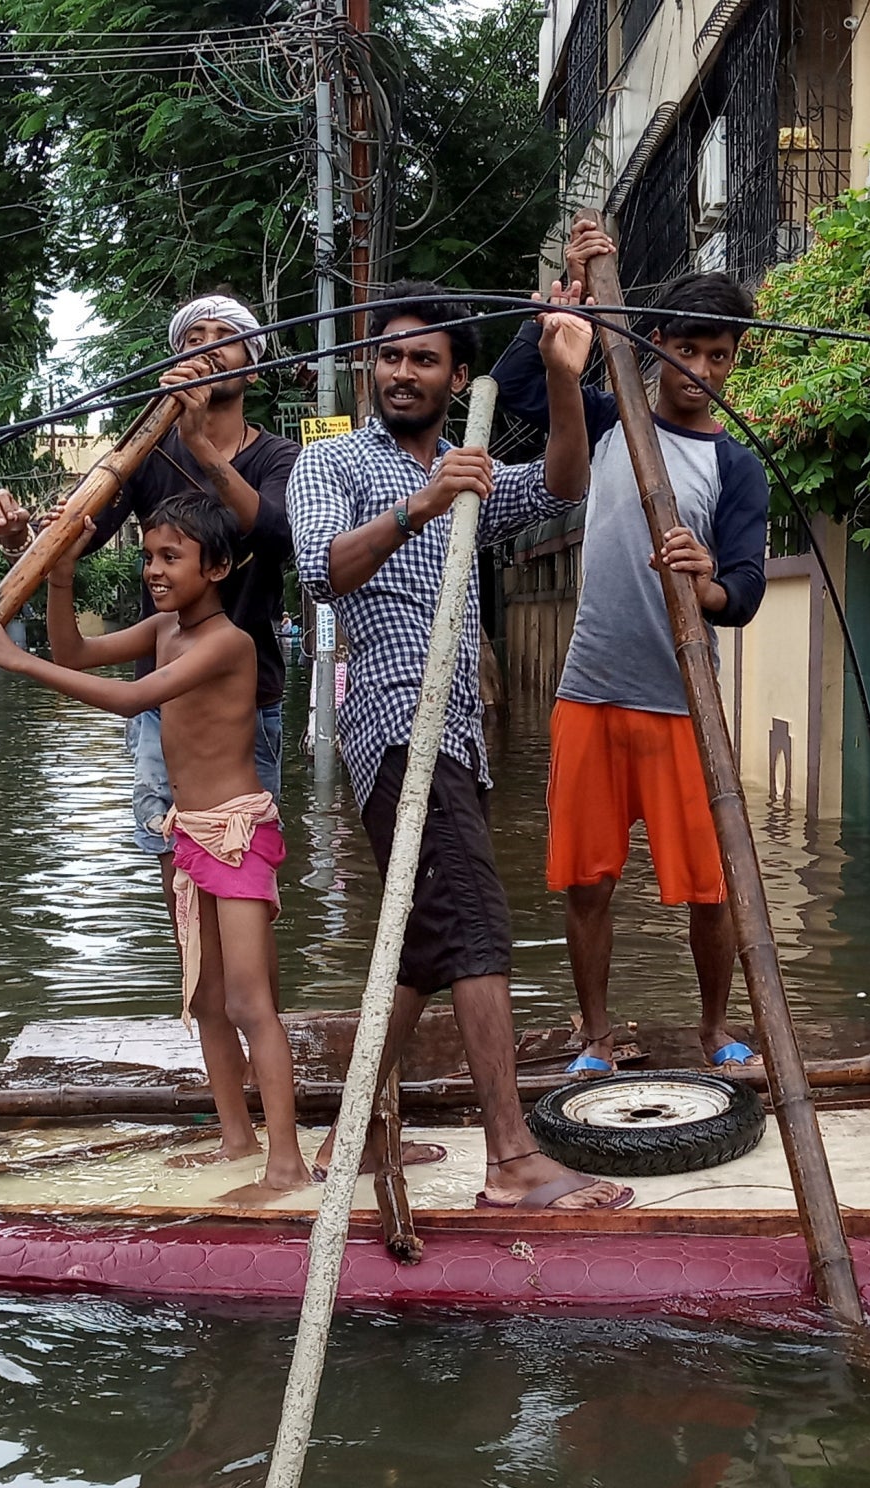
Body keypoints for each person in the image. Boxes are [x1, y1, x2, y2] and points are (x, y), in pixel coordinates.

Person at [288, 278, 631, 1213]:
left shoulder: (473, 469)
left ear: (457, 376)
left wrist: (565, 375)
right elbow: (321, 571)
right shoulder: (339, 467)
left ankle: (350, 1139)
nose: (403, 372)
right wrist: (422, 505)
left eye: (423, 359)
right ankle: (512, 1157)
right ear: (371, 367)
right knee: (476, 924)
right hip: (396, 727)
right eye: (390, 356)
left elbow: (562, 481)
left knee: (424, 945)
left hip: (461, 739)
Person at [0, 493, 307, 1200]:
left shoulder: (228, 644)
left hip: (238, 834)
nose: (153, 569)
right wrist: (60, 574)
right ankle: (236, 1140)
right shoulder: (165, 629)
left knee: (249, 1003)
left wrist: (13, 662)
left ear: (218, 567)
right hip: (189, 836)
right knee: (204, 1001)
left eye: (170, 557)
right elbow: (76, 651)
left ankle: (287, 1162)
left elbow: (128, 699)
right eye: (148, 556)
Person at [490, 218, 770, 1076]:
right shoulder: (608, 419)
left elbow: (746, 593)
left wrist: (704, 578)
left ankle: (715, 1028)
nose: (705, 372)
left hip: (684, 701)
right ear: (655, 345)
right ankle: (596, 1035)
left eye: (721, 355)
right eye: (691, 350)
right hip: (591, 691)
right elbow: (517, 388)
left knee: (710, 887)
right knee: (589, 882)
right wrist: (558, 314)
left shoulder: (737, 468)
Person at [0, 294, 299, 1015]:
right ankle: (210, 1043)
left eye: (226, 339)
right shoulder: (144, 455)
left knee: (246, 893)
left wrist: (206, 452)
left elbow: (277, 536)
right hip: (161, 713)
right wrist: (21, 538)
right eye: (194, 337)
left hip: (249, 711)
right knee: (179, 882)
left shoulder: (277, 455)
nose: (208, 347)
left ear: (254, 360)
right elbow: (77, 542)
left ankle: (259, 1034)